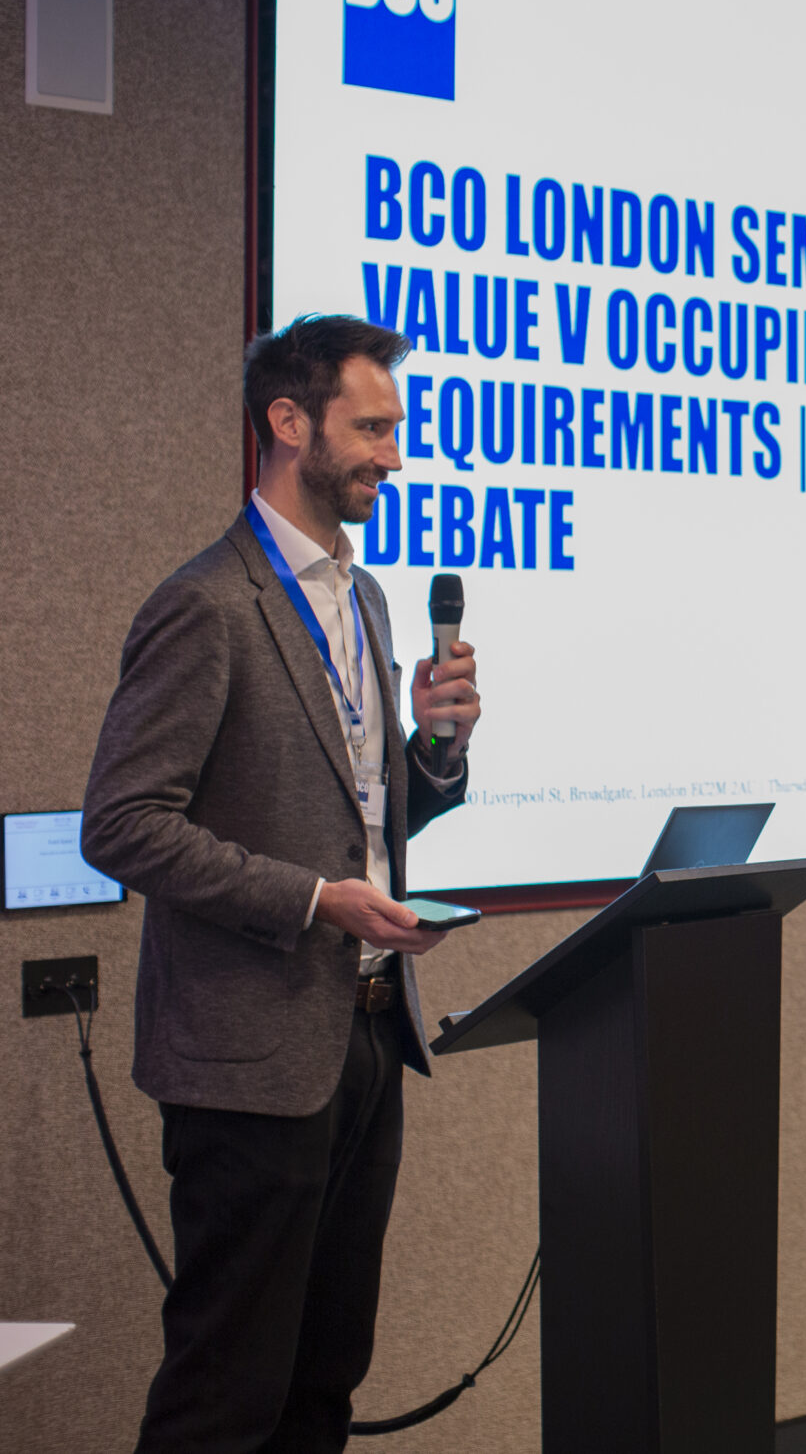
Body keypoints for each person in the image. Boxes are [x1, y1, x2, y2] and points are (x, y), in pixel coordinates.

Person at [81, 316, 484, 1454]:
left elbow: (358, 817)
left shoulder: (364, 599)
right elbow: (122, 824)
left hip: (367, 1035)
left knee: (323, 1381)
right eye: (373, 428)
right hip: (248, 1059)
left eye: (396, 429)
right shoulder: (208, 603)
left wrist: (435, 748)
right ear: (290, 421)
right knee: (226, 1394)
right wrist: (314, 900)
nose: (394, 455)